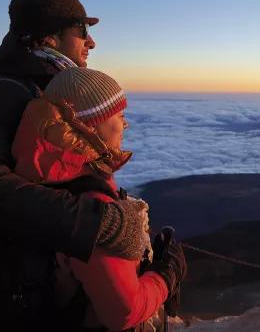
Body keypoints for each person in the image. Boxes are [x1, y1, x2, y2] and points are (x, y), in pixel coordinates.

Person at [0, 0, 150, 330]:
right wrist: (97, 223)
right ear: (48, 39)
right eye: (82, 30)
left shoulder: (38, 85)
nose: (92, 42)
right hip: (11, 292)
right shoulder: (7, 91)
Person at [11, 67, 187, 331]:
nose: (125, 124)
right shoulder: (92, 208)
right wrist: (167, 275)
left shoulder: (41, 179)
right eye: (119, 115)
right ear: (89, 125)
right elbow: (123, 313)